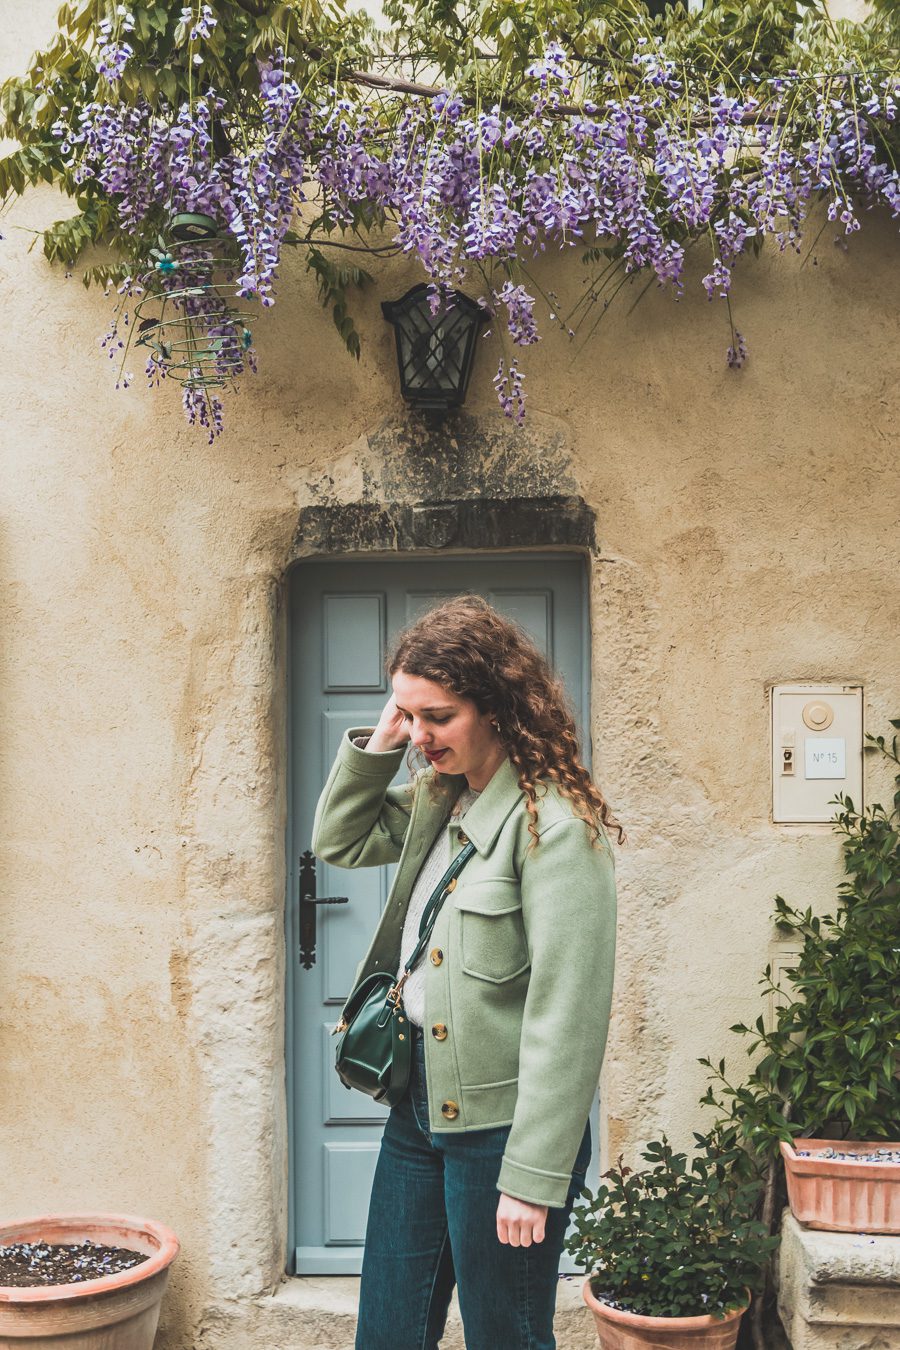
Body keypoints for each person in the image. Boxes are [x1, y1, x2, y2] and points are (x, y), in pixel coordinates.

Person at [312, 595, 619, 1350]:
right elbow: (339, 841)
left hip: (503, 1135)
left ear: (497, 707)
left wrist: (534, 1174)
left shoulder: (553, 824)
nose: (421, 735)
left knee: (504, 1337)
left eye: (437, 716)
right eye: (408, 715)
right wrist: (379, 743)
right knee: (387, 1335)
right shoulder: (439, 801)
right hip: (418, 1111)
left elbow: (567, 1011)